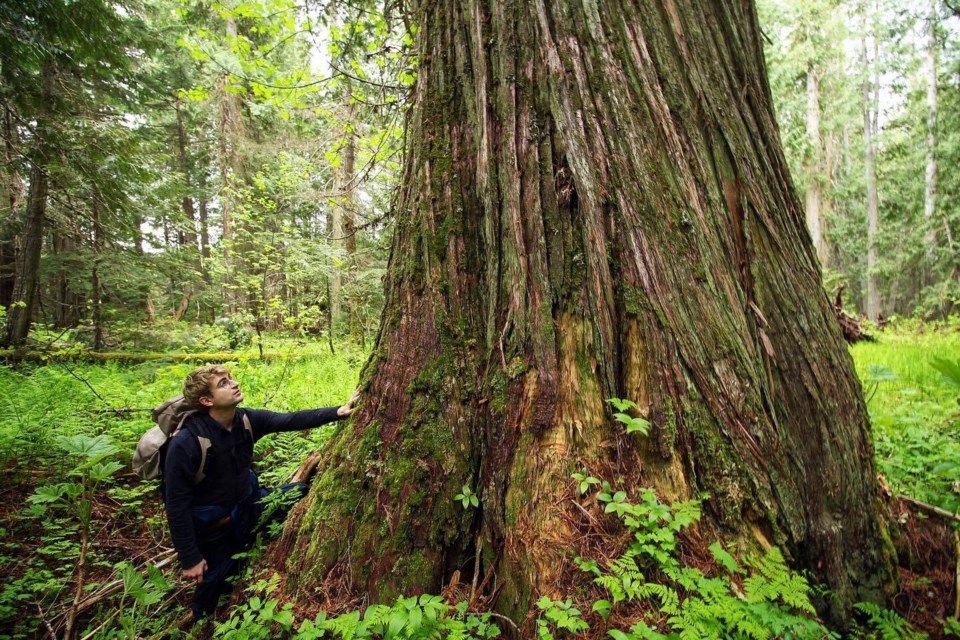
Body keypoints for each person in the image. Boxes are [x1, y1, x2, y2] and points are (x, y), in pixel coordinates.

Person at [163, 364, 359, 621]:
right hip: (213, 530)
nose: (233, 383)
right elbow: (176, 505)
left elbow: (290, 420)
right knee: (216, 583)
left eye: (230, 378)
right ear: (206, 400)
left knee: (298, 492)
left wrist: (338, 411)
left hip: (247, 507)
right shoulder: (186, 443)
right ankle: (202, 623)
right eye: (223, 383)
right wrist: (190, 558)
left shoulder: (245, 420)